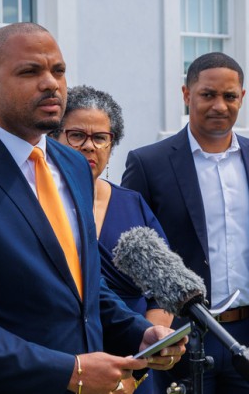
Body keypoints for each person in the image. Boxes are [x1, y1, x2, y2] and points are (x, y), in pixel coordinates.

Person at [0, 22, 186, 394]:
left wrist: (138, 331)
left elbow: (82, 288)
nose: (51, 83)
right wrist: (70, 371)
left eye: (59, 71)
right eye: (30, 71)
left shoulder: (73, 166)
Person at [122, 52, 249, 393]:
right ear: (186, 94)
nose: (220, 105)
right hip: (181, 336)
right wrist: (149, 327)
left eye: (229, 96)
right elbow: (131, 255)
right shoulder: (149, 163)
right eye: (208, 94)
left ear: (242, 97)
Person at [49, 85, 173, 394]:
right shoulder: (37, 204)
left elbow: (164, 290)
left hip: (133, 365)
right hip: (65, 365)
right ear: (53, 138)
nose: (89, 146)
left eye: (100, 138)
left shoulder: (133, 205)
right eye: (76, 135)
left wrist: (143, 357)